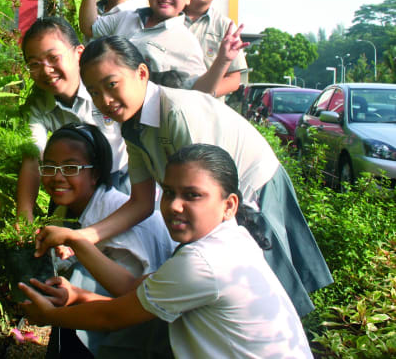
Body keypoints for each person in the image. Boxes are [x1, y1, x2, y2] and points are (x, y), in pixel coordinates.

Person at [49, 36, 332, 316]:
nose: (105, 100)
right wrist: (84, 237)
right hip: (217, 201)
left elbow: (207, 200)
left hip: (253, 191)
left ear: (142, 73)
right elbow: (141, 203)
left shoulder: (177, 113)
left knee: (271, 296)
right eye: (94, 92)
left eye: (111, 85)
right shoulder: (133, 129)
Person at [20, 144, 314, 359]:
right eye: (169, 192)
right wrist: (79, 292)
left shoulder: (202, 262)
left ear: (229, 205)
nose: (174, 205)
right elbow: (134, 289)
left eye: (193, 195)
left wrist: (49, 316)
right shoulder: (233, 240)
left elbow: (113, 316)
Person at [39, 123, 176, 358]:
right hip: (125, 305)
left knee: (79, 278)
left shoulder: (115, 213)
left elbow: (131, 290)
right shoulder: (66, 211)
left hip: (150, 322)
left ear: (95, 175)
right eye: (49, 167)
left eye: (71, 167)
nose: (58, 177)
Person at [17, 18, 129, 223]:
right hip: (72, 189)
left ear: (79, 54)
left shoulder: (105, 86)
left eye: (53, 58)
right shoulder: (37, 103)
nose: (46, 70)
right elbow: (32, 158)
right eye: (34, 64)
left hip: (121, 181)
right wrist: (24, 219)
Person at [82, 0, 243, 97]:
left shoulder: (186, 42)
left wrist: (223, 60)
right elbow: (89, 27)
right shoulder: (125, 16)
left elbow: (198, 92)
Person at [184, 0, 248, 98]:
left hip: (207, 111)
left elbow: (233, 79)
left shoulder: (226, 27)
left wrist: (201, 94)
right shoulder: (167, 17)